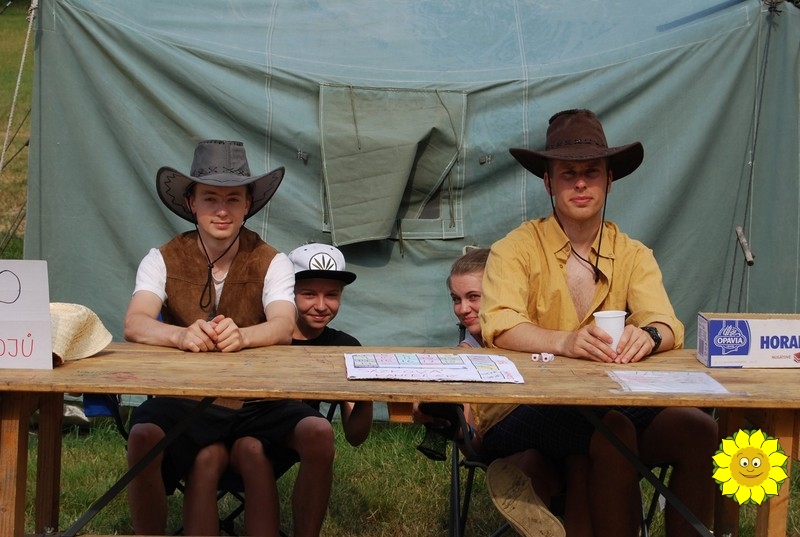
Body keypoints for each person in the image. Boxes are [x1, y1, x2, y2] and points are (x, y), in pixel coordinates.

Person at [476, 109, 718, 536]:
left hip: (609, 404)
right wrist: (565, 341)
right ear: (548, 182)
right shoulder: (514, 248)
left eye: (591, 172)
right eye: (568, 174)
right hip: (521, 406)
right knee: (613, 431)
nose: (581, 184)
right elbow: (500, 324)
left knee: (700, 429)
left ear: (610, 180)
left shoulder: (633, 253)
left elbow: (666, 322)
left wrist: (649, 335)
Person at [123, 139, 303, 535]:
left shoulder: (272, 260)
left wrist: (244, 335)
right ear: (192, 203)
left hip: (255, 401)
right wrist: (179, 335)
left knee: (318, 433)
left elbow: (283, 325)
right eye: (210, 198)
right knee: (141, 435)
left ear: (247, 204)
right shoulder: (162, 257)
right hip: (184, 399)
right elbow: (135, 323)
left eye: (233, 199)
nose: (222, 210)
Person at [412, 247, 566, 537]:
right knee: (554, 459)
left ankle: (537, 502)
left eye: (473, 297)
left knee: (545, 463)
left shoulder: (539, 334)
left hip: (548, 444)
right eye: (456, 299)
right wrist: (441, 414)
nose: (462, 309)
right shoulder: (466, 354)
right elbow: (474, 444)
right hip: (503, 441)